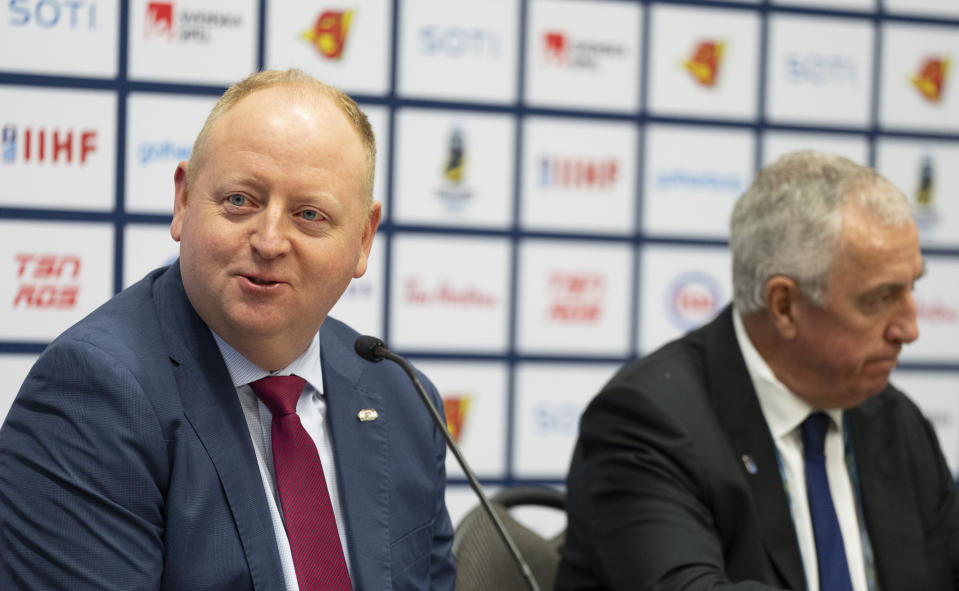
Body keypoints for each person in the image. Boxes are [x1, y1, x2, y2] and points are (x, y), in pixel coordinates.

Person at [0, 69, 456, 590]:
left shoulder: (401, 397)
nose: (269, 240)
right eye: (241, 200)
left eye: (309, 214)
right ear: (183, 200)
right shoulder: (93, 393)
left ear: (363, 240)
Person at [556, 151, 959, 590]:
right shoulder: (646, 425)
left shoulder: (894, 422)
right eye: (880, 298)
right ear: (784, 305)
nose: (911, 328)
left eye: (911, 288)